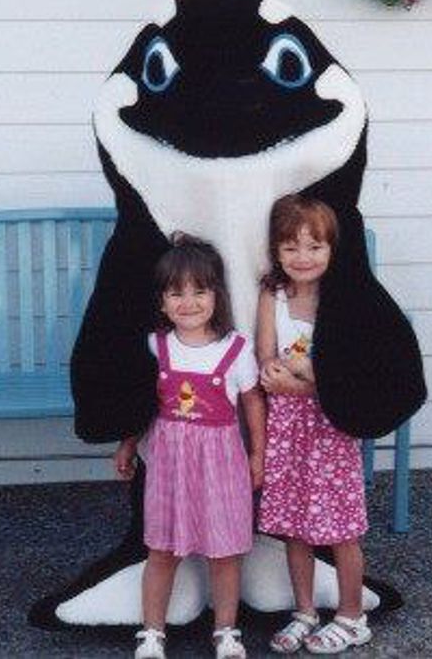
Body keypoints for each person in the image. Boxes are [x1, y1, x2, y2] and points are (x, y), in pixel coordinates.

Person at [114, 233, 266, 659]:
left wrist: (258, 454)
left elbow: (253, 402)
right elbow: (140, 404)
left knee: (224, 553)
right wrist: (127, 444)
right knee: (161, 550)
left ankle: (226, 631)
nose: (189, 302)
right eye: (176, 293)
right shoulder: (155, 346)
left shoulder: (237, 350)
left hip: (222, 468)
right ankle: (151, 632)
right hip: (168, 469)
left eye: (199, 291)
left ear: (217, 296)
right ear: (162, 302)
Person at [256, 195, 371, 655]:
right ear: (276, 251)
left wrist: (305, 382)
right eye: (291, 248)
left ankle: (352, 616)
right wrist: (281, 373)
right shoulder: (274, 295)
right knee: (294, 523)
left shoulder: (342, 297)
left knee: (342, 527)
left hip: (332, 425)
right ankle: (304, 610)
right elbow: (267, 358)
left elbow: (348, 370)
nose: (303, 257)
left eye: (314, 247)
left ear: (331, 249)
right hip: (287, 428)